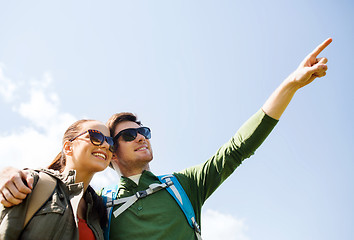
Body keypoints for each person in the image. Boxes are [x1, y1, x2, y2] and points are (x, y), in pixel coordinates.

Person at [0, 38, 332, 239]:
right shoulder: (98, 205)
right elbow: (56, 195)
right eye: (129, 136)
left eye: (143, 131)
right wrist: (9, 173)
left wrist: (290, 84)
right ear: (113, 154)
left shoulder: (183, 186)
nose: (141, 138)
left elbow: (237, 148)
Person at [0, 119, 114, 240]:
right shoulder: (31, 182)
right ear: (68, 147)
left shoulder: (99, 210)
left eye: (110, 142)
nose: (106, 145)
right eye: (95, 137)